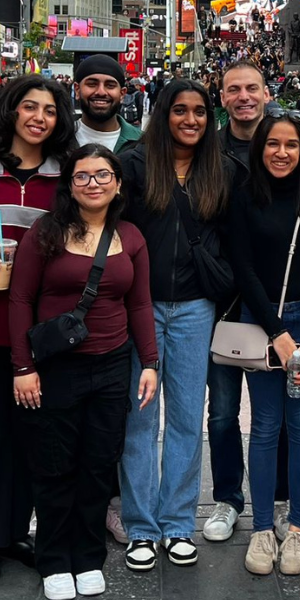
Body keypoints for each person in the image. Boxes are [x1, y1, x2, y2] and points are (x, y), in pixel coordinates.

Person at [8, 146, 159, 600]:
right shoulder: (45, 232)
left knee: (98, 463)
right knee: (55, 464)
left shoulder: (130, 236)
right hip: (56, 368)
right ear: (69, 185)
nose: (93, 183)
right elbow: (19, 300)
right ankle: (54, 558)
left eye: (102, 175)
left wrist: (150, 363)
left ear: (117, 184)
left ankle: (88, 554)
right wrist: (22, 367)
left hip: (112, 365)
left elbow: (140, 303)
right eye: (82, 176)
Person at [0, 74, 76, 585]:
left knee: (34, 436)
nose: (39, 118)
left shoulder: (66, 174)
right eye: (29, 107)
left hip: (42, 331)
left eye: (49, 111)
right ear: (10, 110)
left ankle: (17, 530)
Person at [119, 79, 232, 571]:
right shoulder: (134, 164)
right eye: (180, 111)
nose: (190, 120)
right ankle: (141, 527)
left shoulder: (223, 169)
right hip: (138, 308)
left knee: (187, 417)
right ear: (163, 114)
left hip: (194, 308)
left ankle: (178, 523)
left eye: (200, 112)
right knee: (139, 418)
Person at [230, 114, 300, 577]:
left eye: (291, 145)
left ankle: (297, 528)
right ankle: (259, 527)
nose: (281, 152)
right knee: (264, 424)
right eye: (272, 144)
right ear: (259, 150)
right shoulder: (244, 198)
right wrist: (277, 333)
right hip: (262, 325)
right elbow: (244, 269)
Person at [204, 60, 290, 544]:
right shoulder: (206, 151)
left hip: (275, 302)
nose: (244, 96)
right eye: (234, 89)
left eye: (252, 88)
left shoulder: (284, 144)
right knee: (221, 410)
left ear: (265, 91)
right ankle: (227, 498)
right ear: (223, 95)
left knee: (272, 412)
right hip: (222, 300)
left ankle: (275, 498)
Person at [75, 55, 141, 152]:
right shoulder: (56, 139)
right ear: (77, 90)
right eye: (92, 84)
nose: (101, 92)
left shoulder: (143, 143)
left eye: (110, 85)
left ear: (122, 94)